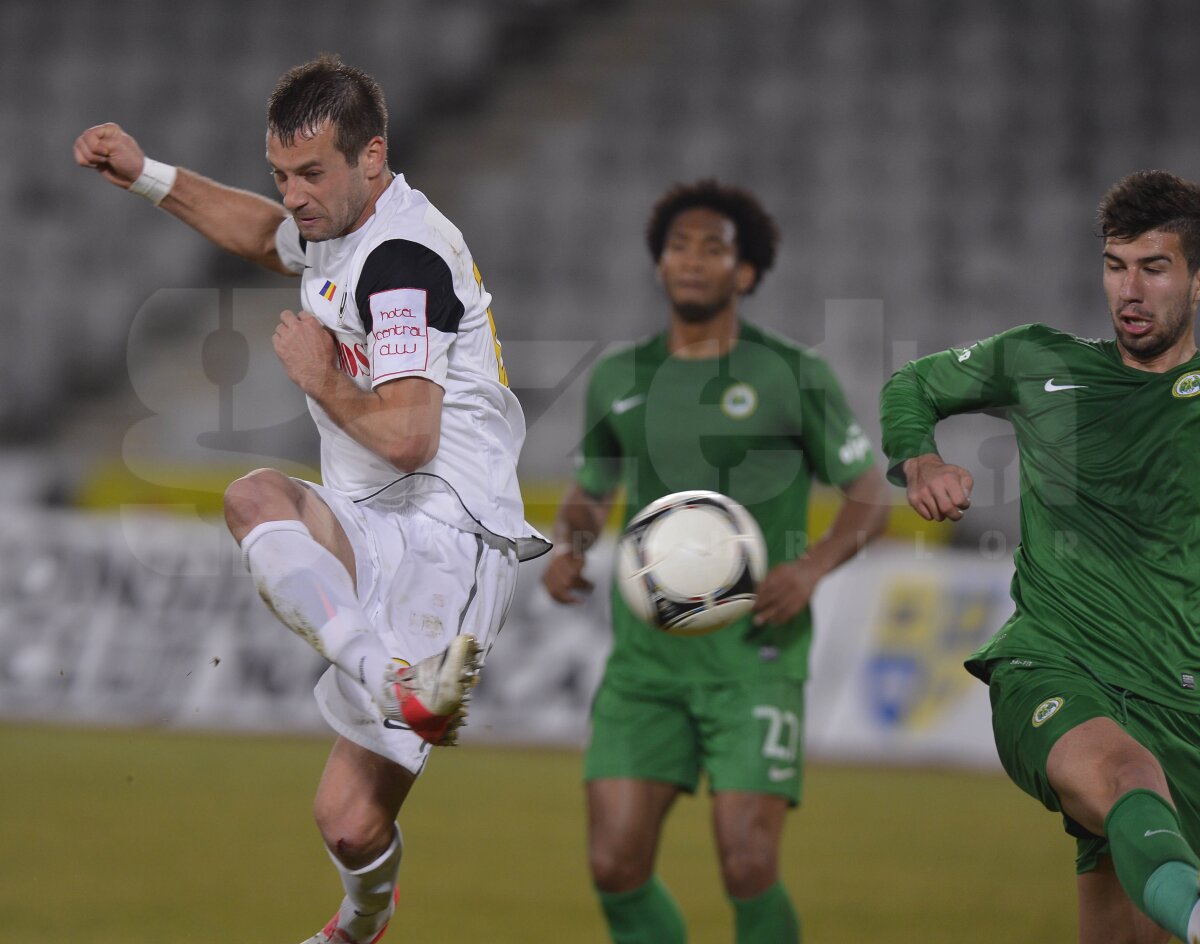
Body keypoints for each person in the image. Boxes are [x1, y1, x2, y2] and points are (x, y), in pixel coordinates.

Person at [74, 55, 548, 944]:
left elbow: (409, 437)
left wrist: (321, 376)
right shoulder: (336, 224)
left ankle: (361, 911)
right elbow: (265, 236)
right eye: (281, 174)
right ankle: (390, 692)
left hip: (449, 533)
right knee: (256, 498)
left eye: (311, 174)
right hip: (376, 516)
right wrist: (145, 174)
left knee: (349, 823)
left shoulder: (401, 261)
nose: (293, 196)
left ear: (373, 157)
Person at [543, 179, 890, 943]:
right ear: (659, 263)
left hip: (754, 656)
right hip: (646, 661)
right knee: (614, 863)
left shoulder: (792, 374)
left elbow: (870, 495)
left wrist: (810, 569)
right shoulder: (619, 376)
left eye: (713, 248)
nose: (692, 260)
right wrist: (571, 545)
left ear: (747, 271)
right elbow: (591, 490)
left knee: (747, 860)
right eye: (678, 246)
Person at [879, 169, 1200, 944]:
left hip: (1175, 698)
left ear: (1197, 279)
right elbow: (911, 384)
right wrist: (921, 461)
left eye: (1154, 268)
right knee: (1127, 775)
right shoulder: (1038, 361)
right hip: (1051, 666)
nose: (1129, 290)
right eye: (1115, 266)